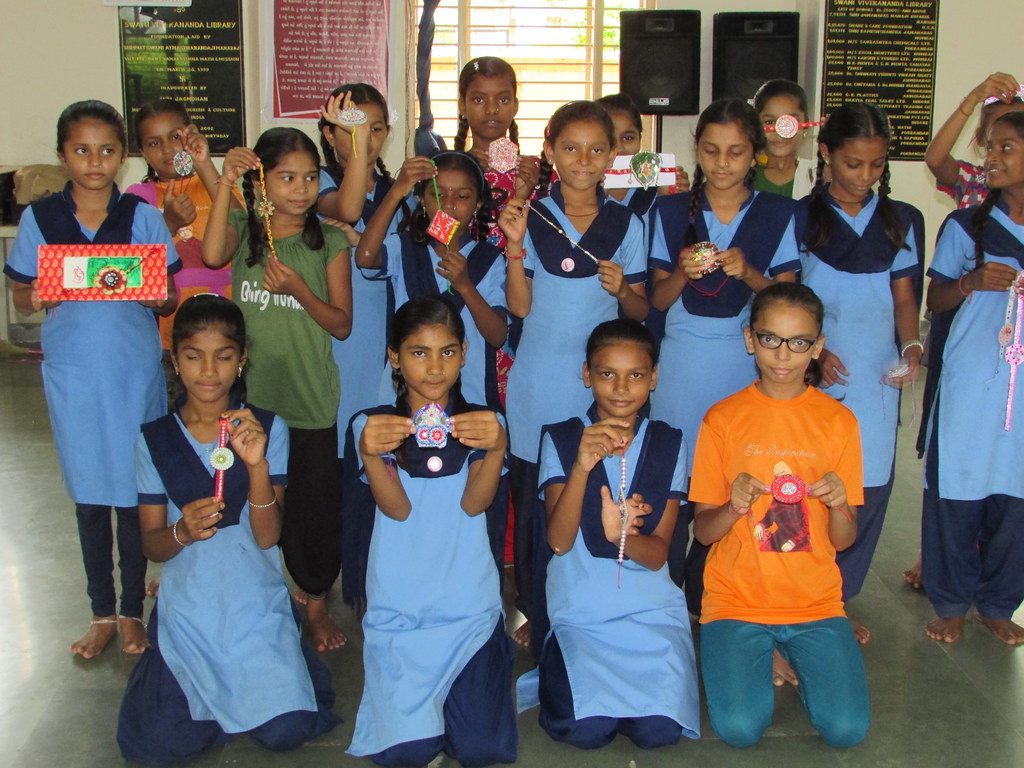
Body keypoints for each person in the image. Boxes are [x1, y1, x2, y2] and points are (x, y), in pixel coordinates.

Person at [116, 294, 339, 762]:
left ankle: (272, 658)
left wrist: (256, 466)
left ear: (242, 361)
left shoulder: (267, 428)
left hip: (252, 605)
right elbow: (152, 544)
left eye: (224, 356)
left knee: (287, 730)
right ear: (174, 360)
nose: (209, 371)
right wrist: (181, 532)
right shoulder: (154, 439)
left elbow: (266, 536)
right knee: (163, 745)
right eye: (194, 357)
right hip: (191, 611)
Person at [3, 99, 179, 658]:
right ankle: (101, 612)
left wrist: (157, 293)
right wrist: (32, 296)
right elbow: (21, 296)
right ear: (63, 155)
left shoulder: (142, 217)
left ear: (122, 158)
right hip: (75, 376)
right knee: (88, 496)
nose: (94, 162)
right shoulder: (42, 219)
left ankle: (132, 610)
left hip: (132, 373)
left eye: (106, 151)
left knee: (131, 494)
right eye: (81, 151)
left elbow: (168, 294)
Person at [689, 282, 869, 748]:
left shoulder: (839, 423)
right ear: (750, 339)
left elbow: (845, 540)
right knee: (740, 729)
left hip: (815, 603)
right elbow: (705, 533)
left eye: (799, 342)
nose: (783, 355)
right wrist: (734, 505)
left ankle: (792, 651)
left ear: (818, 347)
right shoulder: (721, 420)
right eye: (770, 339)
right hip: (736, 601)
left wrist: (838, 503)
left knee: (848, 730)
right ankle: (761, 648)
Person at [498, 100, 649, 649]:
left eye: (596, 149)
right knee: (537, 509)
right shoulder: (532, 217)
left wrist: (624, 290)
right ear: (551, 150)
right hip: (537, 387)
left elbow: (639, 314)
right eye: (570, 148)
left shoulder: (628, 223)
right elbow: (518, 309)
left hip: (601, 393)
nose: (583, 160)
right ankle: (536, 612)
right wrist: (515, 250)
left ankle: (584, 609)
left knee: (592, 498)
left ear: (612, 155)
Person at [347, 296, 517, 766]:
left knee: (482, 750)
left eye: (448, 351)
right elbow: (397, 510)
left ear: (464, 354)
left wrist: (499, 447)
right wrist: (369, 455)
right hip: (400, 608)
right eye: (419, 352)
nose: (435, 367)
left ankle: (477, 674)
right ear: (394, 358)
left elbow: (473, 503)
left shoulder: (486, 423)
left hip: (468, 606)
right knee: (406, 754)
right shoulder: (371, 425)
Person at [202, 127, 353, 652]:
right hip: (253, 405)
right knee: (254, 503)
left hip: (309, 403)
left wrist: (297, 290)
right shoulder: (245, 230)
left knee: (313, 511)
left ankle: (314, 603)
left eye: (310, 177)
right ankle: (257, 592)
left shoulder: (329, 241)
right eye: (286, 177)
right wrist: (225, 181)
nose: (301, 188)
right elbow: (213, 253)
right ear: (261, 185)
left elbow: (340, 323)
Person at [518, 318, 700, 749]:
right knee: (585, 731)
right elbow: (558, 542)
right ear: (586, 375)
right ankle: (562, 665)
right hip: (583, 612)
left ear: (654, 378)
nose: (621, 388)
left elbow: (657, 556)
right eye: (607, 374)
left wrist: (620, 534)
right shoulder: (562, 439)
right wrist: (581, 466)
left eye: (636, 375)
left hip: (650, 611)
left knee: (658, 733)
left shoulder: (669, 442)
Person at [647, 98, 799, 598]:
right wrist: (682, 274)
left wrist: (748, 273)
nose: (722, 162)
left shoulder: (777, 214)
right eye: (711, 150)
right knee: (678, 478)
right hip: (682, 367)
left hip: (741, 366)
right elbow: (657, 299)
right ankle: (666, 594)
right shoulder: (669, 211)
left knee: (735, 479)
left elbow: (786, 300)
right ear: (696, 151)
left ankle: (715, 592)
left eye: (736, 151)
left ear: (755, 154)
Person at [794, 102, 924, 644]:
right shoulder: (799, 218)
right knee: (803, 485)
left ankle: (837, 599)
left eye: (875, 166)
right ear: (825, 154)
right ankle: (797, 593)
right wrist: (812, 356)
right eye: (852, 164)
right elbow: (789, 297)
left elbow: (903, 298)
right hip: (809, 371)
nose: (864, 177)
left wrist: (912, 346)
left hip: (873, 373)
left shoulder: (902, 220)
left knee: (866, 487)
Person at [352, 149, 508, 579]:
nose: (450, 206)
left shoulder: (489, 259)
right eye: (439, 196)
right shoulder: (405, 249)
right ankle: (399, 581)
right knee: (403, 493)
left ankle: (470, 584)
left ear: (477, 204)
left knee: (466, 498)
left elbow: (498, 334)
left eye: (463, 197)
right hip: (404, 398)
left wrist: (464, 285)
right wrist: (397, 189)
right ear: (423, 200)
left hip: (470, 395)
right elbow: (365, 258)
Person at [920, 111, 1024, 646]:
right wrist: (971, 281)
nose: (992, 159)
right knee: (958, 487)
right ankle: (952, 599)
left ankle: (999, 601)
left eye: (1007, 148)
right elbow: (935, 299)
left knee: (1015, 494)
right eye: (992, 148)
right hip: (972, 381)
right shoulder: (968, 227)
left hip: (1021, 391)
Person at [127, 99, 240, 357]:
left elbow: (240, 225)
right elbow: (131, 265)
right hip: (168, 330)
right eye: (154, 143)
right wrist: (166, 225)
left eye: (175, 137)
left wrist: (204, 163)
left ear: (191, 134)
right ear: (142, 152)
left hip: (224, 321)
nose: (167, 149)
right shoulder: (137, 197)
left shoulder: (215, 184)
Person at [454, 56, 541, 248]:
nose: (492, 109)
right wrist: (465, 173)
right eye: (479, 99)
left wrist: (533, 193)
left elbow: (558, 233)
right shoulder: (448, 171)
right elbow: (437, 238)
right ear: (462, 106)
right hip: (466, 275)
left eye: (503, 99)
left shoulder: (538, 171)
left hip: (525, 275)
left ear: (515, 106)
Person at [924, 71, 1024, 209]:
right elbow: (935, 159)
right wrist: (972, 99)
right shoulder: (974, 181)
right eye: (996, 129)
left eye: (1007, 145)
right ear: (981, 138)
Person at [595, 92, 690, 220]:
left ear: (640, 139)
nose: (619, 148)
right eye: (609, 138)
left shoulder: (656, 190)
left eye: (628, 138)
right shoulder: (582, 193)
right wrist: (596, 201)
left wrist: (671, 200)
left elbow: (672, 236)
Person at [751, 79, 817, 199]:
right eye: (770, 122)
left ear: (806, 125)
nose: (780, 132)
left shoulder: (815, 175)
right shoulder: (743, 177)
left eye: (790, 122)